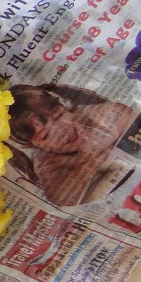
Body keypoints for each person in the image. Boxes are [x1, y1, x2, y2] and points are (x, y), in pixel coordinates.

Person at [7, 83, 138, 206]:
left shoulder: (86, 114)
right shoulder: (45, 162)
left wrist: (94, 143)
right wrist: (88, 161)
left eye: (59, 115)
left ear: (65, 107)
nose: (63, 131)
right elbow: (58, 197)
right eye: (45, 135)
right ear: (34, 146)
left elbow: (123, 114)